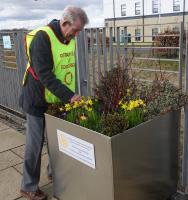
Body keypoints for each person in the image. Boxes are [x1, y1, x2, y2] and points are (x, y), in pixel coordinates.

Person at [19, 5, 89, 200]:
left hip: (56, 98)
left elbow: (66, 68)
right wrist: (70, 96)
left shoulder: (68, 39)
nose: (75, 36)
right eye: (75, 31)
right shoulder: (42, 38)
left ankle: (54, 173)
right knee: (35, 144)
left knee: (56, 141)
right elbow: (45, 75)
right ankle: (28, 186)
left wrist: (68, 94)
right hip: (37, 99)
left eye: (78, 32)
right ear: (65, 23)